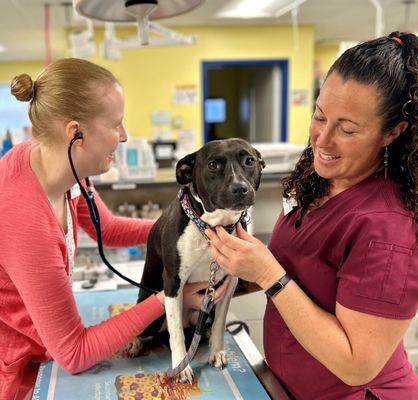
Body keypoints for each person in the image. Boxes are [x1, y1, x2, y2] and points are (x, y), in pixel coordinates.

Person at [0, 58, 229, 400]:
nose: (124, 137)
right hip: (23, 371)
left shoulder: (54, 162)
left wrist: (185, 231)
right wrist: (169, 299)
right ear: (75, 132)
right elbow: (74, 353)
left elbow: (107, 229)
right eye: (117, 124)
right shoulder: (22, 217)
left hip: (46, 349)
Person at [206, 31, 418, 400]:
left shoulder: (388, 228)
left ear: (392, 133)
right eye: (320, 115)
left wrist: (267, 274)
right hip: (292, 386)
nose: (322, 139)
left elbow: (357, 364)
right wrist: (224, 285)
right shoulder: (325, 181)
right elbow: (305, 272)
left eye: (347, 129)